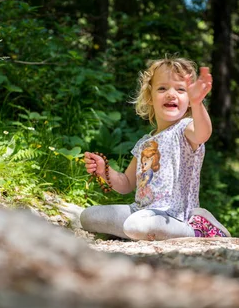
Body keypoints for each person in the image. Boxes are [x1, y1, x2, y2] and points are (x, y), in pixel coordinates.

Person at [80, 57, 231, 241]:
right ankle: (139, 232)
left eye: (181, 89)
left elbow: (203, 133)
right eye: (162, 88)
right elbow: (127, 183)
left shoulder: (186, 129)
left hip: (175, 217)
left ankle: (200, 230)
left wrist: (198, 102)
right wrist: (104, 170)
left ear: (189, 100)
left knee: (135, 225)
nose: (171, 94)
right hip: (141, 212)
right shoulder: (144, 143)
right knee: (88, 216)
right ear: (150, 97)